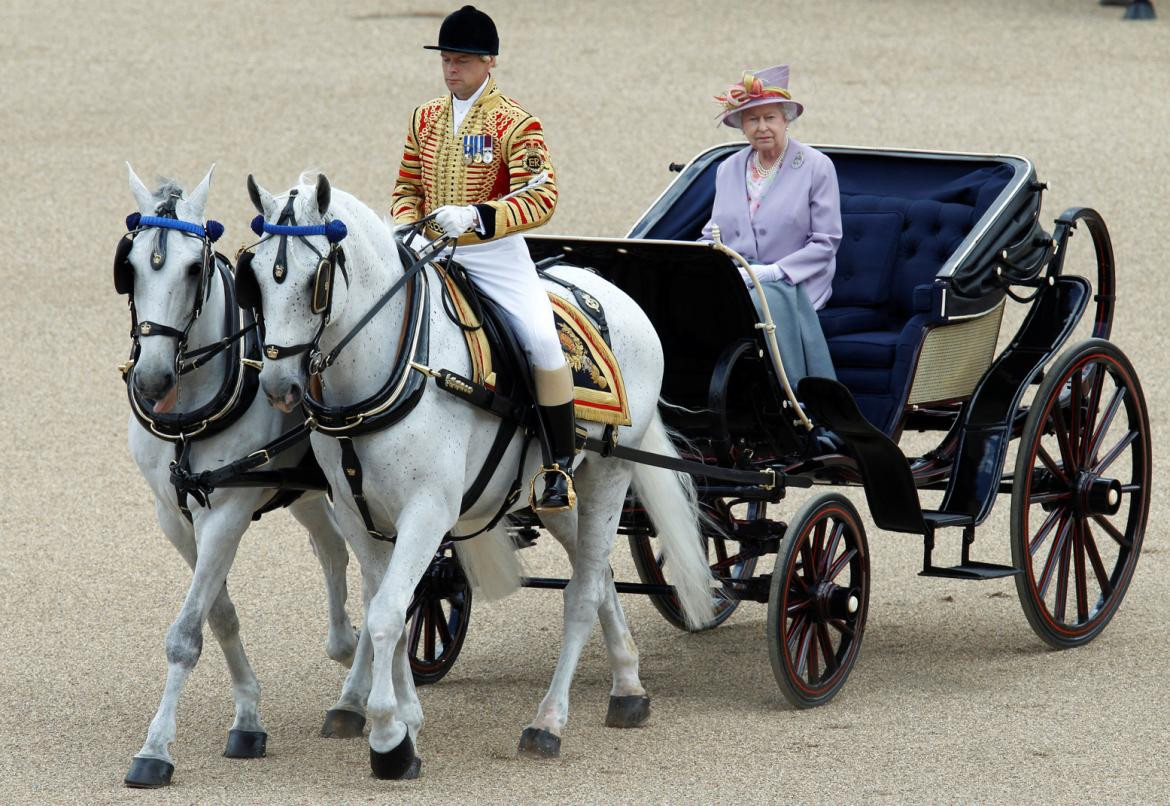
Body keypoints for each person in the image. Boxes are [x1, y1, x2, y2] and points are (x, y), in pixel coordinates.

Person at [391, 5, 577, 511]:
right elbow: (407, 184)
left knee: (541, 338)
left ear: (489, 62)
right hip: (430, 247)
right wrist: (411, 221)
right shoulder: (423, 117)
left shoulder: (515, 122)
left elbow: (542, 196)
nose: (452, 70)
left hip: (493, 254)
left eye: (463, 61)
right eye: (447, 60)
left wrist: (477, 217)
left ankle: (558, 464)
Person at [700, 64, 840, 384]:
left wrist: (775, 272)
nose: (762, 127)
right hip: (740, 278)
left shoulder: (816, 167)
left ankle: (793, 401)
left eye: (770, 118)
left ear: (786, 120)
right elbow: (713, 233)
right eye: (752, 119)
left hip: (797, 283)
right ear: (741, 126)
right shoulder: (728, 169)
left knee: (748, 307)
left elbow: (826, 242)